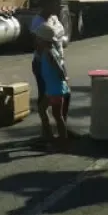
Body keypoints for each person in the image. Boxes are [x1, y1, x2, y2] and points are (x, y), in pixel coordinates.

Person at [29, 0, 72, 135]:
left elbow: (60, 38)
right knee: (46, 98)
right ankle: (47, 132)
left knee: (64, 96)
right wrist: (57, 69)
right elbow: (41, 47)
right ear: (47, 3)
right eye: (56, 2)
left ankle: (62, 128)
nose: (59, 5)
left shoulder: (54, 17)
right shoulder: (38, 22)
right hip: (45, 64)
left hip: (58, 61)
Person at [33, 22, 70, 151]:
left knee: (57, 115)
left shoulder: (49, 52)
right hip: (52, 88)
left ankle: (63, 141)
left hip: (55, 89)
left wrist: (62, 77)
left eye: (38, 38)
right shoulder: (47, 50)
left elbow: (59, 67)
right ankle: (50, 136)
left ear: (43, 39)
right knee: (43, 109)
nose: (36, 40)